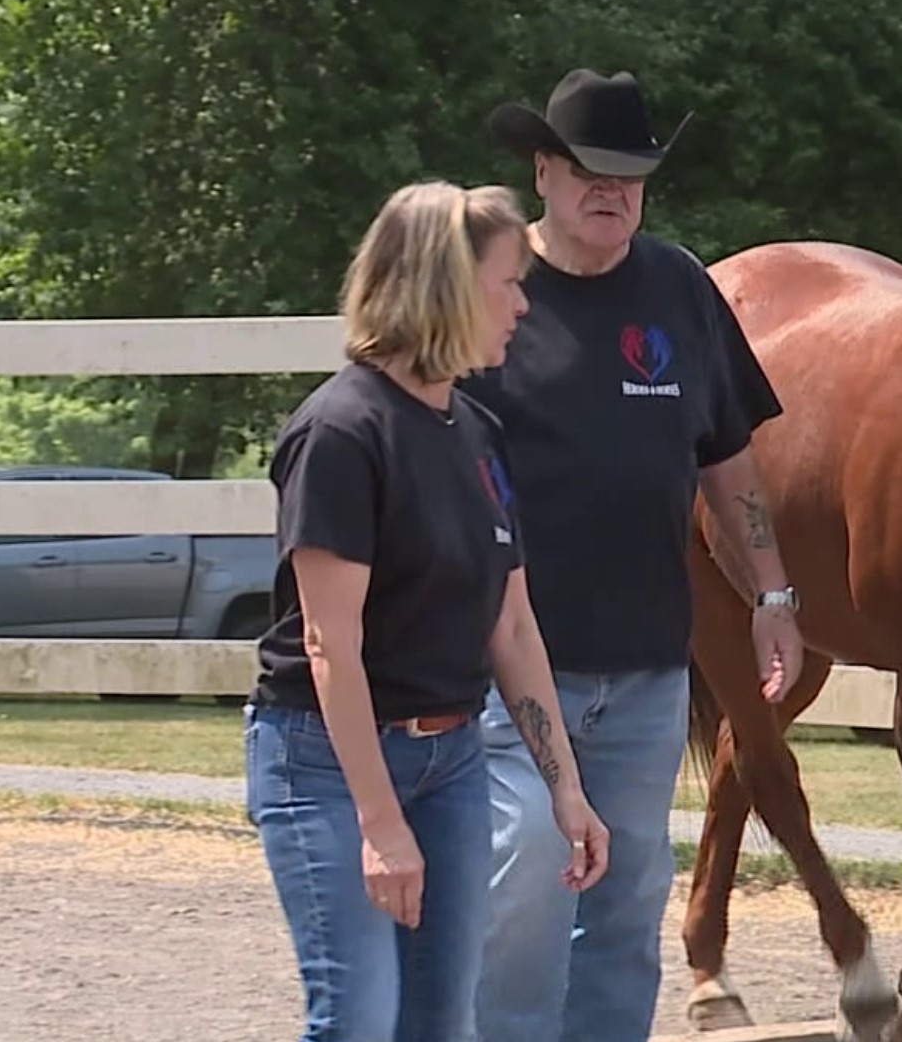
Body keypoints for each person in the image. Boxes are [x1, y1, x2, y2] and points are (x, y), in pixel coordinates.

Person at [463, 68, 804, 1042]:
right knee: (527, 879)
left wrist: (774, 592)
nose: (610, 188)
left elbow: (730, 459)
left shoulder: (680, 288)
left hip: (652, 667)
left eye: (631, 172)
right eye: (588, 169)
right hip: (512, 661)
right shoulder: (490, 293)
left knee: (628, 902)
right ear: (543, 170)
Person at [246, 179, 612, 1042]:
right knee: (359, 1022)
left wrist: (567, 790)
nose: (523, 305)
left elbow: (512, 626)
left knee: (442, 1022)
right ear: (445, 284)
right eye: (508, 282)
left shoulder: (476, 434)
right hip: (326, 767)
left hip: (449, 760)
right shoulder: (340, 433)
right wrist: (379, 824)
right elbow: (331, 642)